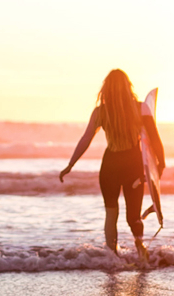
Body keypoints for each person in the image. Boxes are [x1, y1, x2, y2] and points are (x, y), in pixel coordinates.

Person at [60, 69, 165, 266]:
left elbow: (86, 139)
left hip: (110, 167)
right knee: (133, 215)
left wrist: (70, 164)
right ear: (128, 87)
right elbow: (155, 139)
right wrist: (161, 165)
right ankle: (140, 247)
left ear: (105, 89)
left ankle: (112, 257)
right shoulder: (140, 108)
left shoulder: (101, 112)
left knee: (111, 213)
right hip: (133, 167)